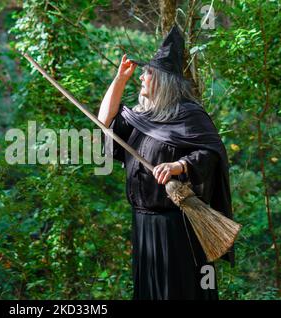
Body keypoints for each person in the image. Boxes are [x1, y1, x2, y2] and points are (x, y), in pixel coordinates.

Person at [98, 25, 234, 300]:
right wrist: (119, 80)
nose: (142, 78)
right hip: (144, 222)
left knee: (181, 289)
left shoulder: (188, 115)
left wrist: (180, 165)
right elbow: (103, 123)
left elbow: (212, 153)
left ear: (163, 81)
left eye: (147, 74)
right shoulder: (139, 116)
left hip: (178, 225)